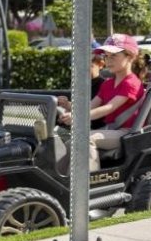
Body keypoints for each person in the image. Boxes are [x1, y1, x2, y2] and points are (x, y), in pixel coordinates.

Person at [57, 33, 145, 171]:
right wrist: (70, 108)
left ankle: (88, 180)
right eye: (106, 56)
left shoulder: (131, 83)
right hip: (110, 130)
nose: (108, 60)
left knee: (86, 139)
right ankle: (60, 180)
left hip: (127, 133)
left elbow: (109, 107)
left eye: (113, 55)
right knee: (70, 142)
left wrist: (78, 117)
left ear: (130, 57)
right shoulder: (107, 84)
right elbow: (90, 106)